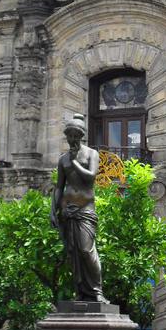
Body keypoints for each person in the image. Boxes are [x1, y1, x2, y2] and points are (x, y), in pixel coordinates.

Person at [50, 113, 108, 303]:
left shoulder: (92, 154)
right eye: (70, 135)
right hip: (67, 210)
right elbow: (59, 187)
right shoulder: (62, 159)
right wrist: (54, 210)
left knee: (86, 249)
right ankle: (81, 291)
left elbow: (90, 177)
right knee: (73, 253)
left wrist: (75, 161)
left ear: (82, 135)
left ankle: (97, 290)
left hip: (85, 208)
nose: (72, 139)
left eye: (76, 135)